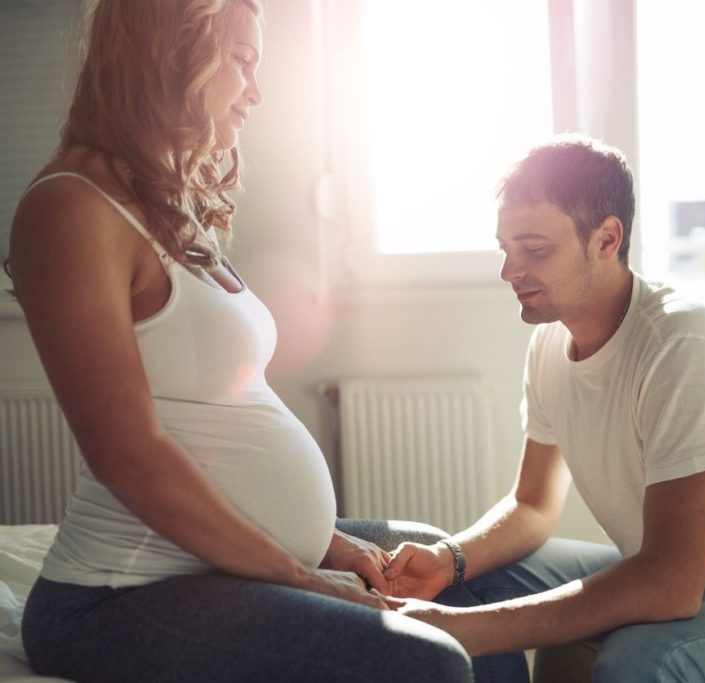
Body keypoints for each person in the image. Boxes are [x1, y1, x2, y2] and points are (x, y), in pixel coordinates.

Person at [7, 1, 471, 681]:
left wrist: (328, 541)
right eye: (244, 62)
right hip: (116, 597)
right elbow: (130, 457)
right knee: (430, 663)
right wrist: (297, 572)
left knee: (454, 578)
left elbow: (220, 413)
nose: (257, 92)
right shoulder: (70, 209)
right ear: (174, 53)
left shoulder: (168, 207)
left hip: (210, 567)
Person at [382, 135, 705, 682]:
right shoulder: (548, 347)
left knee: (642, 657)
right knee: (469, 587)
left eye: (535, 250)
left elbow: (670, 582)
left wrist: (472, 629)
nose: (509, 271)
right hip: (681, 583)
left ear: (607, 238)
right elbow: (533, 505)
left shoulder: (682, 343)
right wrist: (451, 558)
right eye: (506, 248)